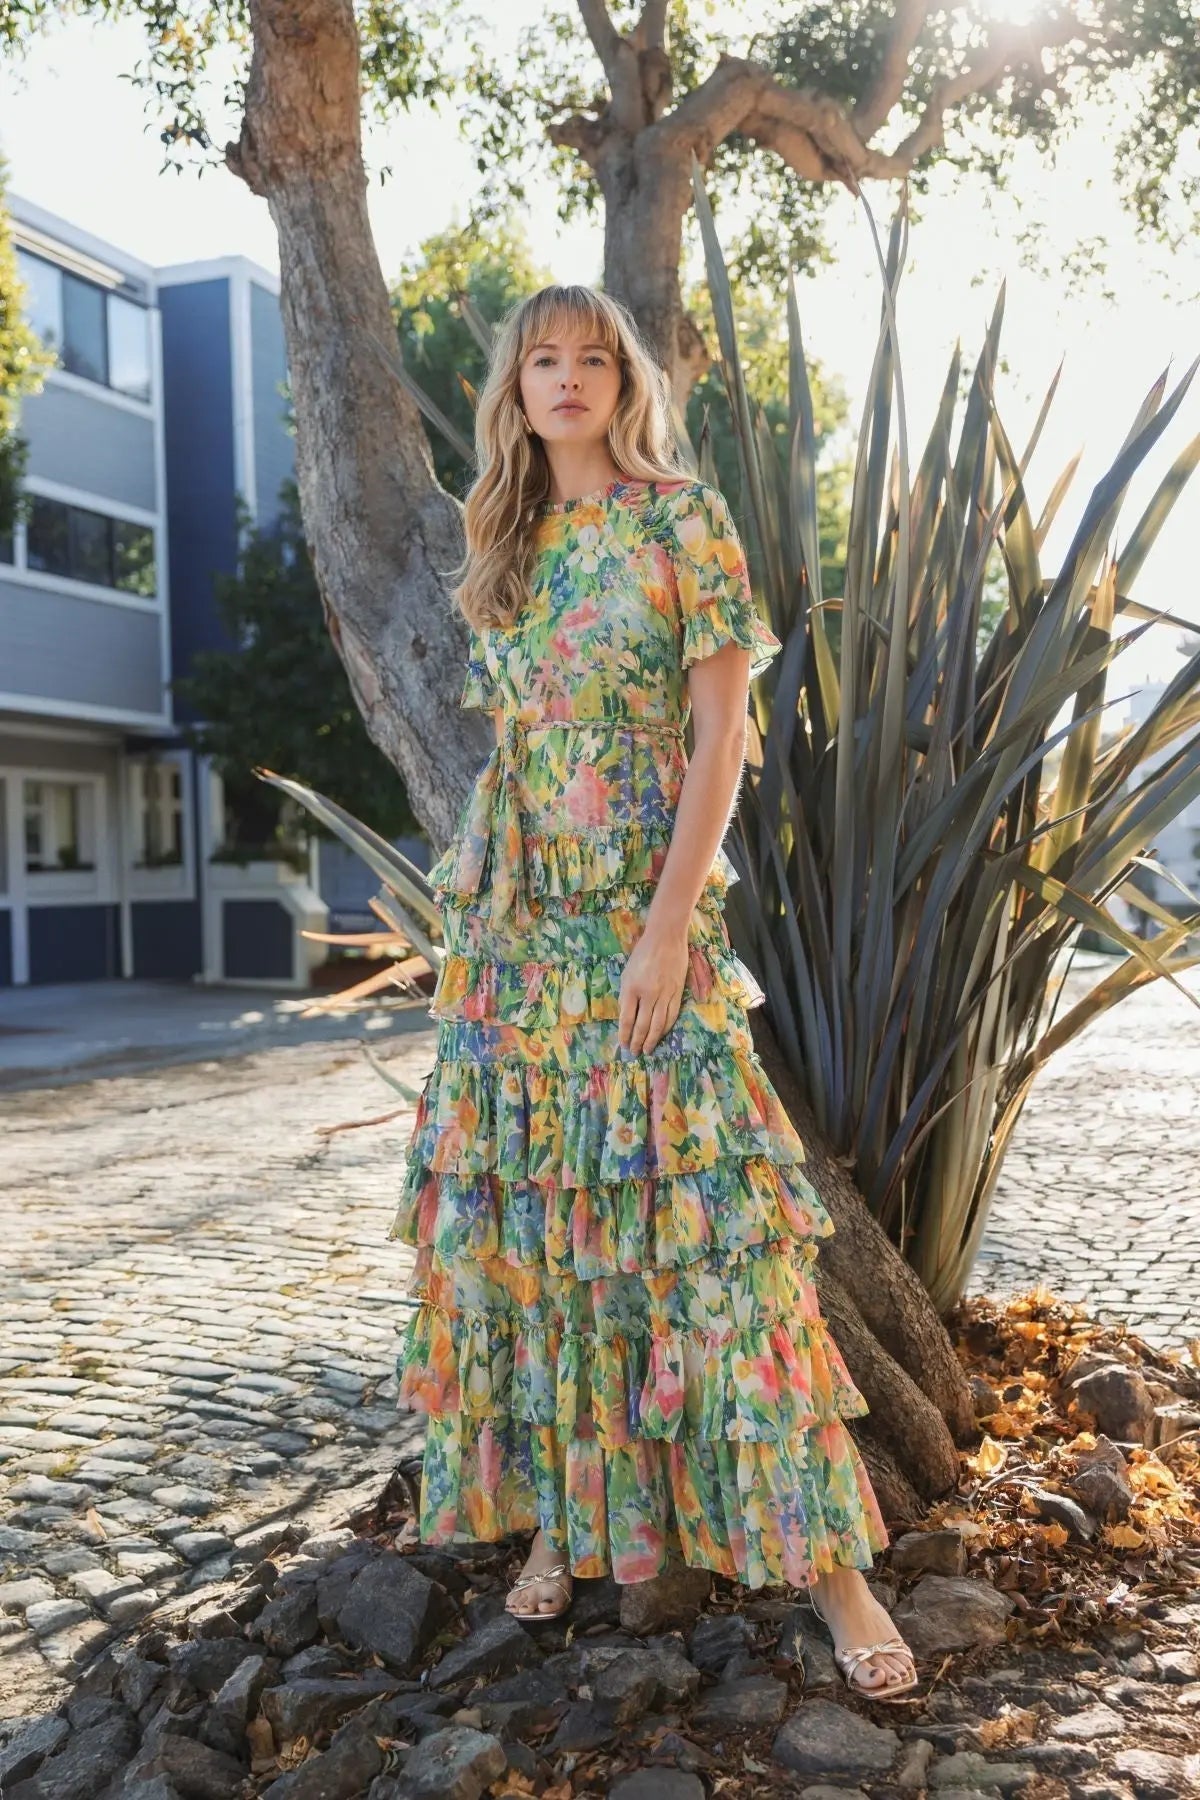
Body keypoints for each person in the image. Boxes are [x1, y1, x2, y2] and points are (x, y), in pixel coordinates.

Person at [389, 283, 919, 1700]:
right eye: (542, 359)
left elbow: (724, 728)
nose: (566, 378)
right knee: (546, 1234)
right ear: (514, 387)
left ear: (628, 382)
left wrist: (670, 927)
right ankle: (570, 1512)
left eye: (593, 358)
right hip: (514, 930)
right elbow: (516, 746)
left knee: (715, 1235)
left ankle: (838, 1576)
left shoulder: (682, 517)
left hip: (641, 909)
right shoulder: (504, 538)